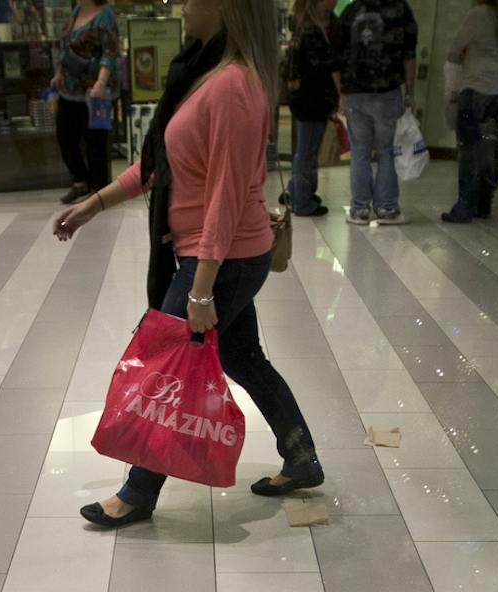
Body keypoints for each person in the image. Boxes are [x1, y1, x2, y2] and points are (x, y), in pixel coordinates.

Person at [51, 0, 325, 528]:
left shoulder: (232, 88)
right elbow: (160, 163)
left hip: (222, 258)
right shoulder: (203, 75)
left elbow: (223, 197)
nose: (180, 4)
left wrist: (200, 291)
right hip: (217, 254)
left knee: (165, 369)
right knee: (243, 357)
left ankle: (137, 493)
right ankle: (300, 457)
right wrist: (93, 204)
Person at [332, 0, 419, 225]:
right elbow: (409, 54)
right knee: (386, 151)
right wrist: (409, 93)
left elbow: (335, 57)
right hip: (387, 91)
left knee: (359, 150)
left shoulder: (350, 11)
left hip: (355, 93)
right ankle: (387, 208)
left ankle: (360, 209)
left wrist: (341, 91)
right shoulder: (400, 10)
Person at [440, 0, 498, 222]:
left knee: (469, 149)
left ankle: (465, 207)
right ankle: (483, 205)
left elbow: (454, 51)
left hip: (476, 87)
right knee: (488, 149)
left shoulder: (478, 13)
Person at [52, 0, 121, 206]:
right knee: (66, 136)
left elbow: (109, 52)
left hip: (94, 91)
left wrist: (101, 82)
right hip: (69, 88)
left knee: (96, 141)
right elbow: (66, 47)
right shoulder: (76, 12)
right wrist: (58, 74)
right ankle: (80, 180)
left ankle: (98, 189)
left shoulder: (106, 16)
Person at [284, 0, 338, 217]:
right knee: (307, 152)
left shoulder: (299, 30)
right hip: (313, 100)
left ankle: (298, 192)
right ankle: (302, 199)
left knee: (304, 151)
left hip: (302, 98)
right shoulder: (313, 34)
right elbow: (322, 69)